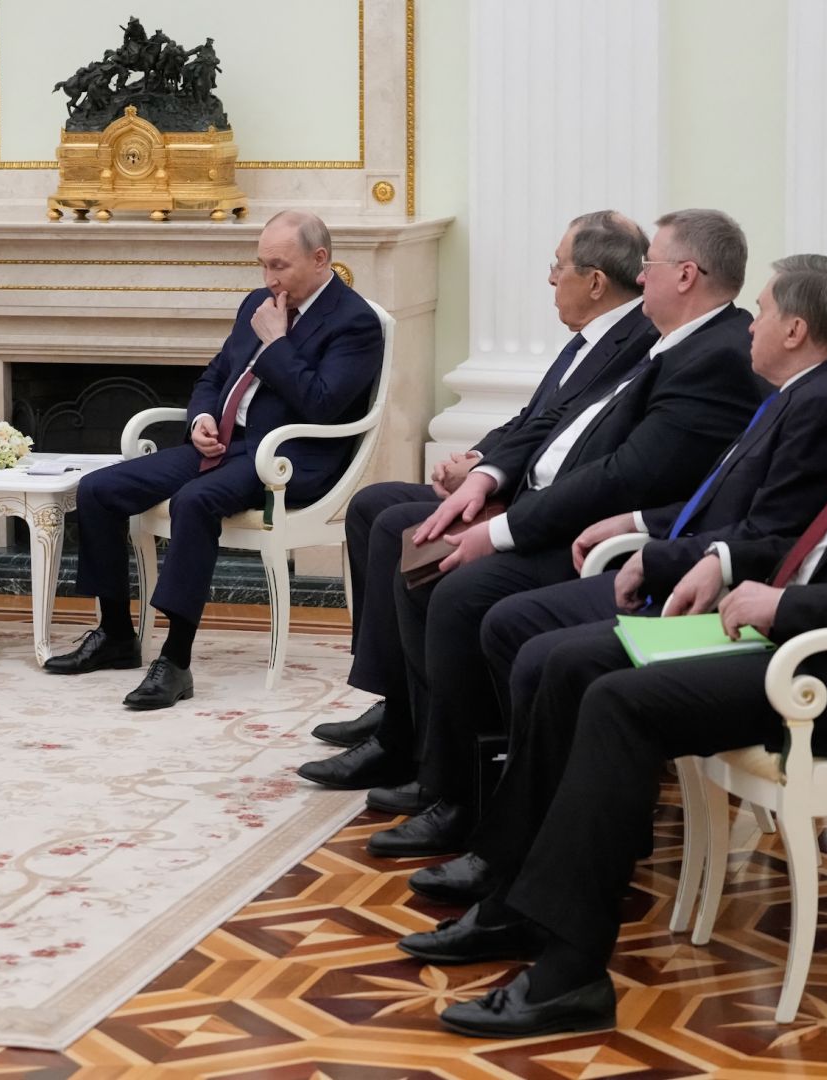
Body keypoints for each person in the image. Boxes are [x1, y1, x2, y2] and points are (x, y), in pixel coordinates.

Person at [300, 209, 762, 839]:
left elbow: (629, 472)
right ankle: (424, 747)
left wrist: (504, 521)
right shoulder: (674, 341)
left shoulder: (711, 352)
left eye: (649, 266)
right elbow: (553, 425)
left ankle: (461, 793)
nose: (640, 277)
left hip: (608, 540)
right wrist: (491, 477)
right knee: (409, 534)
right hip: (563, 509)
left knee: (457, 585)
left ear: (684, 275)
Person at [398, 253, 827, 888]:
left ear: (795, 331)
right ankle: (522, 818)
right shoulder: (791, 392)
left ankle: (538, 840)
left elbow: (766, 536)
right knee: (513, 628)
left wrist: (678, 556)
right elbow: (734, 511)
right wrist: (642, 529)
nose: (751, 324)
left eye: (765, 313)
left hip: (770, 634)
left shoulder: (818, 400)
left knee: (529, 639)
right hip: (694, 575)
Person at [415, 507, 827, 1038]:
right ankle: (513, 898)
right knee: (571, 665)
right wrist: (722, 565)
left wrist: (786, 604)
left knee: (621, 704)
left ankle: (571, 974)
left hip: (822, 668)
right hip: (786, 640)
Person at [309, 211, 658, 786]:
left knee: (401, 523)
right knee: (374, 507)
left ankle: (408, 732)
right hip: (516, 484)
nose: (550, 280)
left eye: (557, 267)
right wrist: (479, 462)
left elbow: (570, 444)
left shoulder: (631, 340)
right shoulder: (593, 340)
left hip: (553, 511)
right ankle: (398, 701)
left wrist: (495, 484)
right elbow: (534, 421)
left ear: (595, 282)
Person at [44, 210, 384, 710]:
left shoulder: (355, 322)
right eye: (263, 266)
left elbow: (323, 403)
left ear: (320, 259)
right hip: (224, 444)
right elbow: (215, 375)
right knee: (99, 490)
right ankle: (115, 634)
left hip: (285, 458)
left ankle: (175, 661)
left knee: (194, 502)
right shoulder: (258, 302)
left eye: (280, 267)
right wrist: (201, 418)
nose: (269, 279)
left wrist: (276, 342)